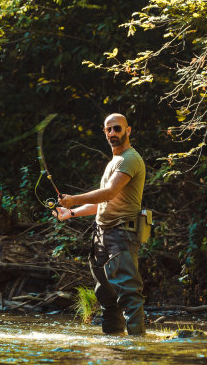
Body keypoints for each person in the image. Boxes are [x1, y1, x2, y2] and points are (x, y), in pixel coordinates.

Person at [54, 113, 146, 335]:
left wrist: (75, 198)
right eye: (109, 130)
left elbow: (109, 192)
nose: (113, 133)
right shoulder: (114, 162)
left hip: (122, 234)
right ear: (104, 132)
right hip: (102, 235)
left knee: (128, 293)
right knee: (106, 294)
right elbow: (103, 203)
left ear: (128, 130)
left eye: (117, 128)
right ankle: (113, 342)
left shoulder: (130, 159)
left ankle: (138, 347)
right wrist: (71, 212)